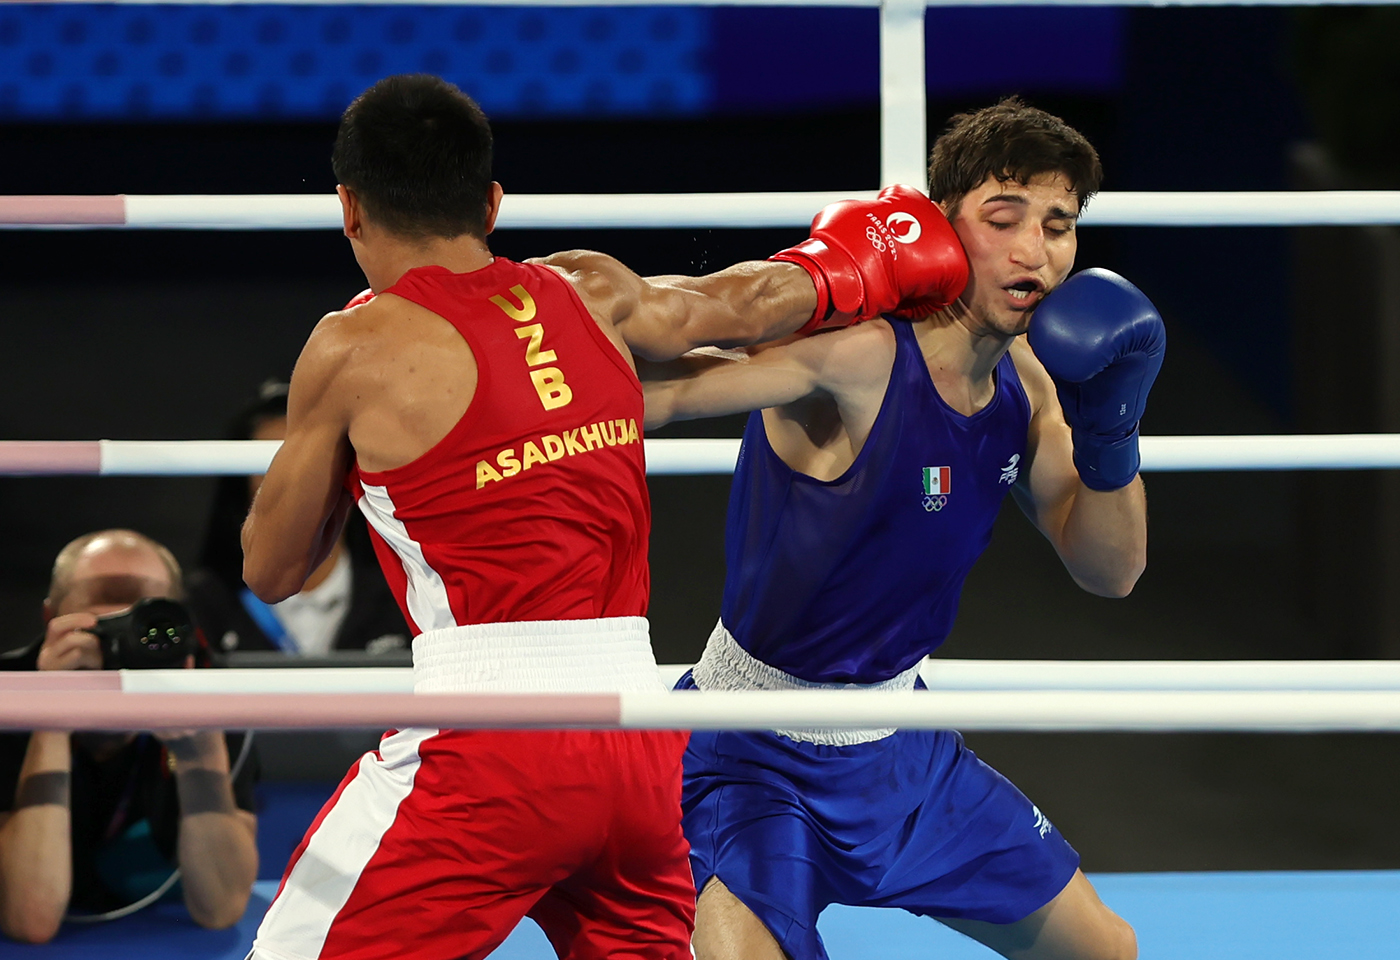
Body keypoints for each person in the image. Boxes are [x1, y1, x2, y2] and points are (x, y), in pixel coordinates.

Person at [239, 73, 962, 960]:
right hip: (637, 738)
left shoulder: (352, 345)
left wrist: (343, 443)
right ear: (493, 201)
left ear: (349, 207)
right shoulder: (590, 290)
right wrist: (866, 261)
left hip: (489, 737)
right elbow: (739, 304)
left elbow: (270, 571)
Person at [644, 98, 1162, 960]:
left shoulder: (1028, 388)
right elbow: (661, 391)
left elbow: (1112, 571)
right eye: (1005, 218)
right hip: (751, 755)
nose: (1036, 250)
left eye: (1061, 226)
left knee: (1105, 950)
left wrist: (1113, 435)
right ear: (942, 229)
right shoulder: (857, 356)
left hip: (901, 751)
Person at [0, 530, 259, 943]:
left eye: (146, 622)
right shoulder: (7, 697)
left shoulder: (212, 697)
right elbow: (30, 918)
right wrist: (49, 715)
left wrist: (199, 752)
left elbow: (221, 908)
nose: (125, 642)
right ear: (52, 620)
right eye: (105, 625)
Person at [188, 380, 411, 658]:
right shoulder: (202, 604)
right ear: (242, 486)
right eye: (270, 468)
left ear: (352, 474)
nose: (296, 488)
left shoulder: (407, 591)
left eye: (314, 466)